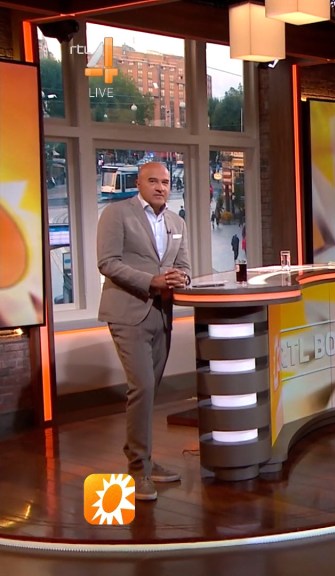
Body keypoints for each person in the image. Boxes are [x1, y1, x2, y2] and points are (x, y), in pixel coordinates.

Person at [97, 162, 191, 501]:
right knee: (142, 386)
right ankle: (138, 471)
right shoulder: (116, 214)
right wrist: (151, 281)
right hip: (127, 312)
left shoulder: (176, 222)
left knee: (149, 391)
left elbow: (183, 266)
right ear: (138, 183)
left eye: (165, 181)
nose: (160, 187)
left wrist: (182, 278)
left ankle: (144, 459)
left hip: (161, 313)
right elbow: (107, 262)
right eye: (153, 181)